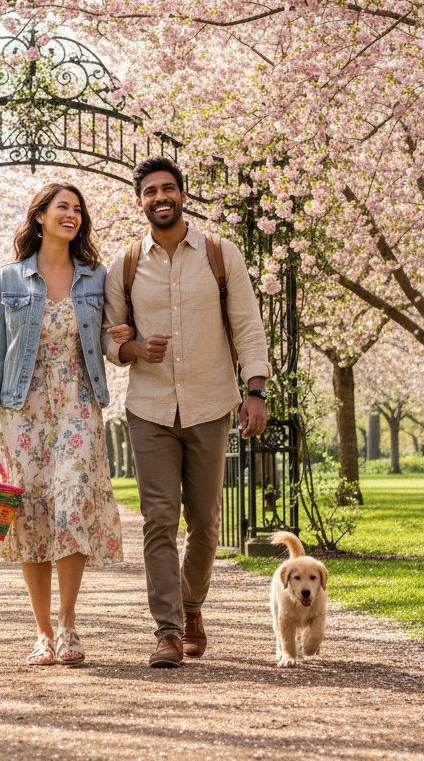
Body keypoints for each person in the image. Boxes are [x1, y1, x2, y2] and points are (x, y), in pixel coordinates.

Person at [102, 156, 271, 669]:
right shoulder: (125, 264)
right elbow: (109, 339)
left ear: (182, 195)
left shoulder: (220, 254)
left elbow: (247, 324)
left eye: (168, 188)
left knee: (204, 521)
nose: (160, 197)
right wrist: (134, 350)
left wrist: (256, 390)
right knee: (159, 519)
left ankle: (192, 606)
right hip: (149, 408)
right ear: (140, 201)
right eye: (150, 191)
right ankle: (168, 632)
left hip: (210, 403)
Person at [0, 182, 128, 667]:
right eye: (63, 207)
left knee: (73, 503)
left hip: (78, 401)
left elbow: (109, 336)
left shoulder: (96, 277)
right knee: (31, 516)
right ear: (40, 216)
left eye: (78, 209)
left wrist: (121, 336)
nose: (72, 215)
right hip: (23, 409)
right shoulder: (9, 279)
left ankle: (68, 624)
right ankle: (41, 632)